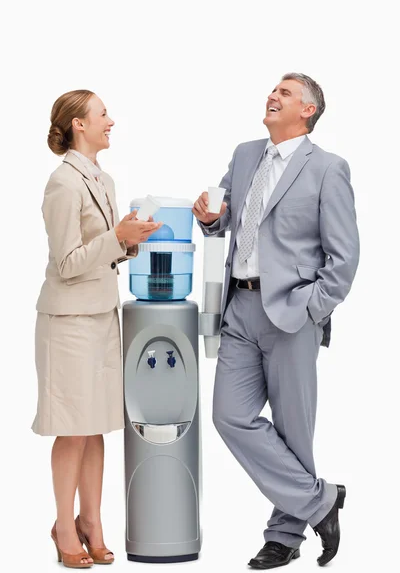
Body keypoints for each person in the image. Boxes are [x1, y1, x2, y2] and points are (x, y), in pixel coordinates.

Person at [193, 73, 359, 569]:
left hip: (291, 314)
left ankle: (284, 536)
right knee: (229, 416)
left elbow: (344, 258)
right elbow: (225, 219)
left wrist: (312, 309)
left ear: (308, 110)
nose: (273, 95)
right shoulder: (246, 155)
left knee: (293, 430)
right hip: (239, 308)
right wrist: (208, 217)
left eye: (285, 93)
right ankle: (319, 501)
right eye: (274, 90)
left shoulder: (328, 168)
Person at [32, 90, 162, 568]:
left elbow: (102, 253)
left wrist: (127, 241)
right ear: (77, 125)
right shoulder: (63, 183)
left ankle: (93, 522)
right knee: (72, 430)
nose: (111, 121)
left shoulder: (103, 181)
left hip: (101, 317)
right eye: (102, 114)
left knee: (97, 429)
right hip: (67, 323)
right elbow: (66, 264)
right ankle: (64, 527)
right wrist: (116, 238)